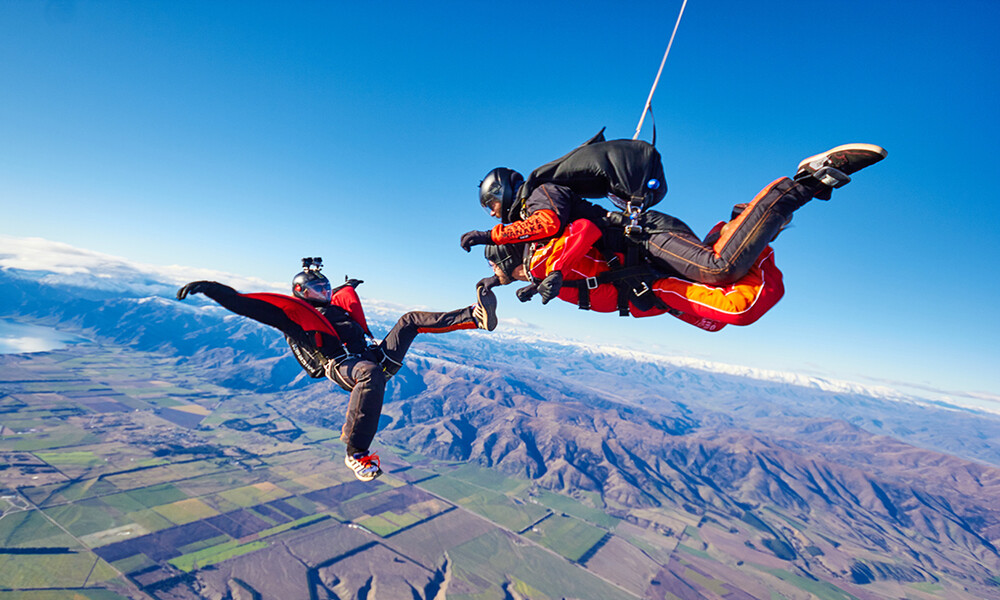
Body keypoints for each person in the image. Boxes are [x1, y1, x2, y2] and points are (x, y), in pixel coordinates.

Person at [176, 257, 498, 481]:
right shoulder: (297, 317)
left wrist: (346, 287)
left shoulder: (334, 309)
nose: (325, 294)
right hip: (343, 365)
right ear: (301, 292)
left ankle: (475, 316)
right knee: (370, 376)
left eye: (327, 288)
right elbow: (256, 307)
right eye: (318, 290)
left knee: (410, 321)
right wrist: (215, 290)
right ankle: (356, 452)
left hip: (373, 357)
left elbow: (344, 303)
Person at [462, 143, 887, 301]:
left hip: (647, 237)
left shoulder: (541, 195)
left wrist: (489, 234)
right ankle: (743, 218)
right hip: (642, 248)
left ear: (498, 196)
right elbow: (541, 249)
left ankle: (806, 182)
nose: (495, 216)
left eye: (493, 209)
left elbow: (547, 222)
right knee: (718, 273)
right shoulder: (538, 205)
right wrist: (497, 278)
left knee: (719, 270)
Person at [482, 213, 784, 331]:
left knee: (739, 309)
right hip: (649, 298)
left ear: (508, 259)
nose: (493, 271)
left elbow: (584, 228)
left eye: (494, 263)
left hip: (651, 285)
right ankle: (732, 232)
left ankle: (758, 238)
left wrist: (556, 270)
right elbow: (500, 279)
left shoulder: (542, 263)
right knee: (714, 324)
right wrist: (491, 284)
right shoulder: (538, 276)